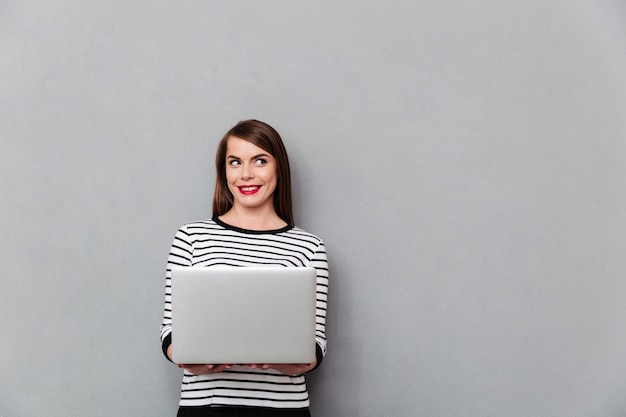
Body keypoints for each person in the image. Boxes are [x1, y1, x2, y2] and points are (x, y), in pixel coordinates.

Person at [160, 119, 329, 417]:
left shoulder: (309, 246)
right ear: (224, 171)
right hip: (206, 406)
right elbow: (170, 330)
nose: (246, 174)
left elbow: (315, 340)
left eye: (260, 161)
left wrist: (301, 360)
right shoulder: (191, 237)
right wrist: (186, 357)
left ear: (278, 168)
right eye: (235, 162)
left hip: (283, 408)